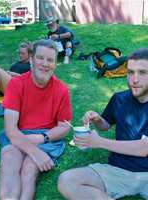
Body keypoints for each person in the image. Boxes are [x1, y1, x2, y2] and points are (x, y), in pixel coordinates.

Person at [58, 48, 148, 200]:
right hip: (117, 171)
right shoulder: (120, 99)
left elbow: (144, 148)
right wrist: (98, 119)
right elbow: (106, 125)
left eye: (142, 72)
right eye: (130, 72)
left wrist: (99, 142)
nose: (134, 79)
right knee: (66, 181)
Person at [0, 39, 72, 200]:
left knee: (29, 169)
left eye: (50, 60)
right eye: (40, 58)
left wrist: (41, 138)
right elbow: (11, 130)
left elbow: (64, 127)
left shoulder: (61, 90)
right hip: (18, 134)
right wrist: (34, 151)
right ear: (31, 59)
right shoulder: (16, 84)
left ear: (55, 64)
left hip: (46, 137)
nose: (45, 64)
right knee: (9, 162)